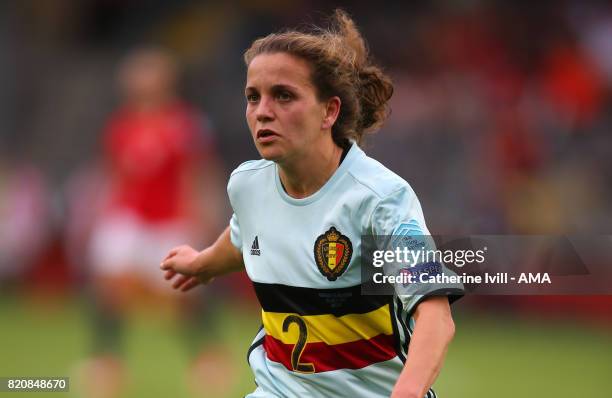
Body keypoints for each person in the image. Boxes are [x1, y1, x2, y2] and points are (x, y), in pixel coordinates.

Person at [161, 10, 461, 398]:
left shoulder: (380, 199)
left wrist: (406, 393)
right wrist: (202, 264)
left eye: (283, 95)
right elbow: (245, 235)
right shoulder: (248, 184)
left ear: (329, 111)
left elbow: (436, 317)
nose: (263, 111)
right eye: (254, 97)